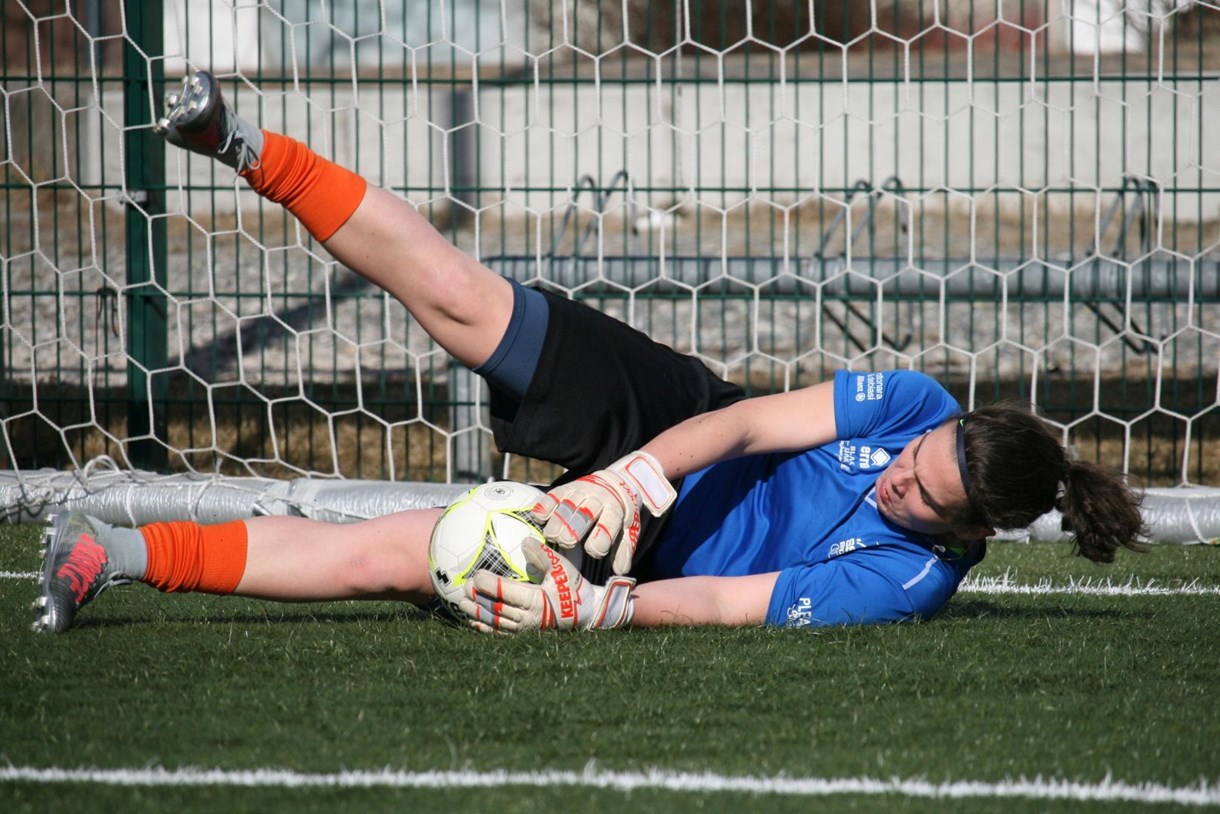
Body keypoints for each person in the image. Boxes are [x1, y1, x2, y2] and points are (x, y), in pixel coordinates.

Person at [31, 71, 1146, 636]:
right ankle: (238, 139)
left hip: (661, 569)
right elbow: (753, 422)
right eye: (917, 458)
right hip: (681, 424)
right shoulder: (914, 403)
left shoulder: (907, 583)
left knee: (401, 553)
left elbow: (729, 606)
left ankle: (111, 555)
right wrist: (633, 472)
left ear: (965, 532)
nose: (902, 473)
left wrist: (594, 605)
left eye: (919, 494)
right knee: (470, 303)